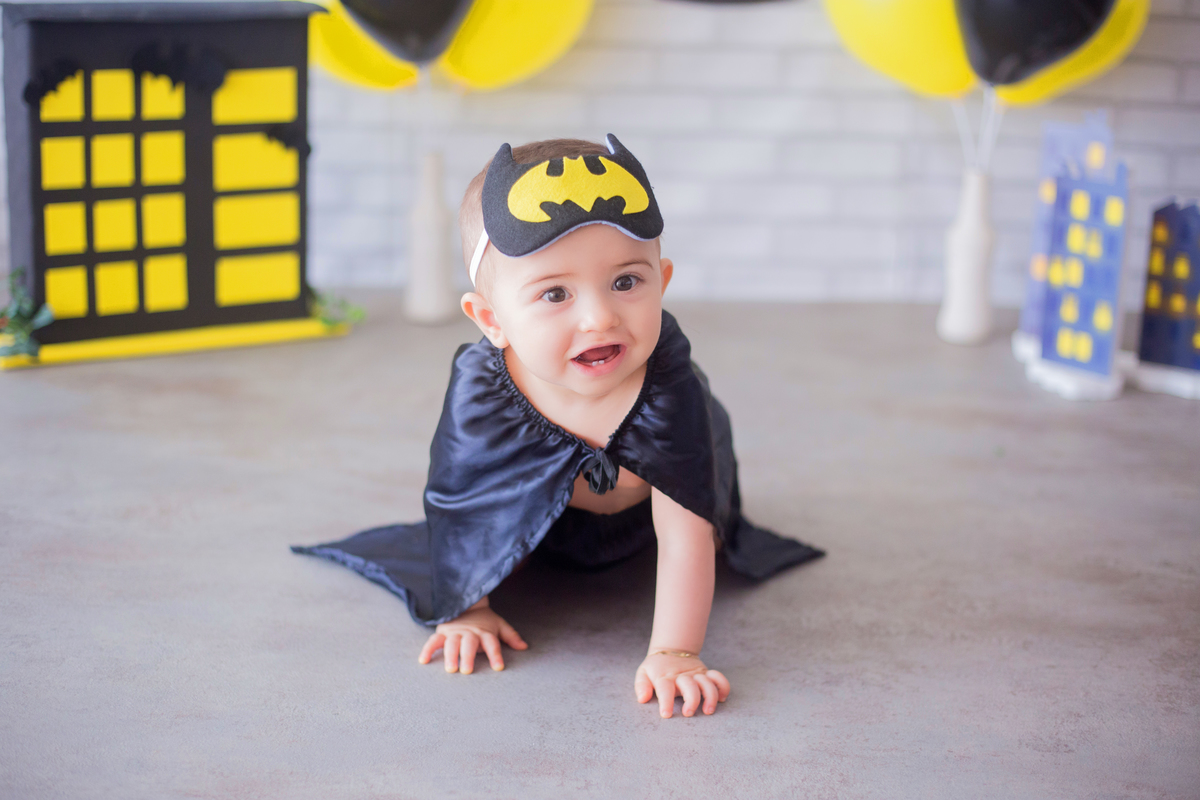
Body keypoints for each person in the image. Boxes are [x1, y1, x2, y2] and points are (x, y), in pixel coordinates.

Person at [293, 134, 822, 719]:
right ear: (492, 320)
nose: (599, 317)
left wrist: (675, 651)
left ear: (663, 279)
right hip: (535, 523)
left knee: (700, 523)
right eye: (554, 293)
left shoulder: (670, 387)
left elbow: (683, 533)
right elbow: (466, 501)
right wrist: (467, 607)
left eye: (626, 281)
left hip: (638, 529)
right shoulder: (483, 393)